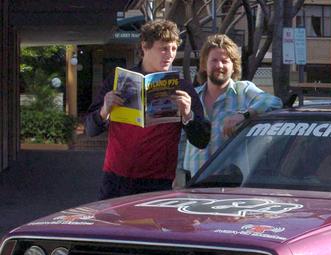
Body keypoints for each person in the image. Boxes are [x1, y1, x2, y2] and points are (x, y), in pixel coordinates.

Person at [85, 20, 210, 200]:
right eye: (163, 49)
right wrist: (104, 110)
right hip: (116, 178)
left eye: (173, 49)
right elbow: (90, 129)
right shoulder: (117, 80)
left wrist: (188, 115)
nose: (170, 55)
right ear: (144, 47)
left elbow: (202, 140)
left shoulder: (182, 87)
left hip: (157, 181)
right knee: (112, 227)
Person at [178, 34, 282, 176]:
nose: (219, 66)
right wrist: (178, 173)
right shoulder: (192, 97)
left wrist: (244, 115)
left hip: (231, 183)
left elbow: (274, 102)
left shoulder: (243, 91)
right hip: (195, 181)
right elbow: (181, 141)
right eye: (214, 60)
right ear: (204, 65)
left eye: (225, 61)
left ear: (234, 67)